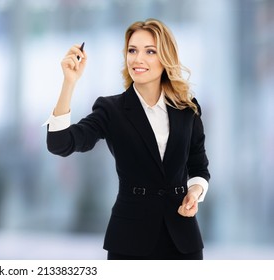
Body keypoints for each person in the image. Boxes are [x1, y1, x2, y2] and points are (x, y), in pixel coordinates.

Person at [44, 18, 210, 260]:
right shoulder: (111, 110)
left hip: (183, 240)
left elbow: (199, 167)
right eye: (132, 50)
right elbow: (60, 143)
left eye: (149, 51)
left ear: (165, 57)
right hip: (130, 240)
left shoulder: (187, 109)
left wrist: (193, 194)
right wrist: (69, 83)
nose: (138, 59)